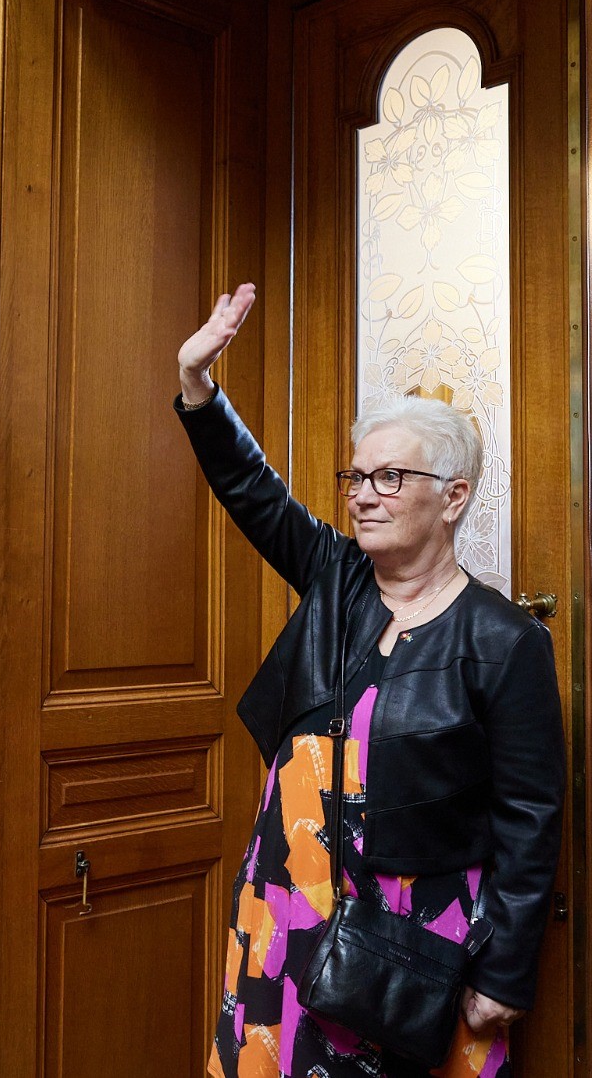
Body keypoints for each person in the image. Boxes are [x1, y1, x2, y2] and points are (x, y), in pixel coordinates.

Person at [179, 283, 565, 1078]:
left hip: (416, 933)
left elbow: (530, 817)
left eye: (389, 478)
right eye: (355, 476)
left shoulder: (505, 640)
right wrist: (198, 386)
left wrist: (505, 969)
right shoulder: (337, 580)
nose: (362, 494)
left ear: (453, 497)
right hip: (288, 901)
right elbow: (254, 494)